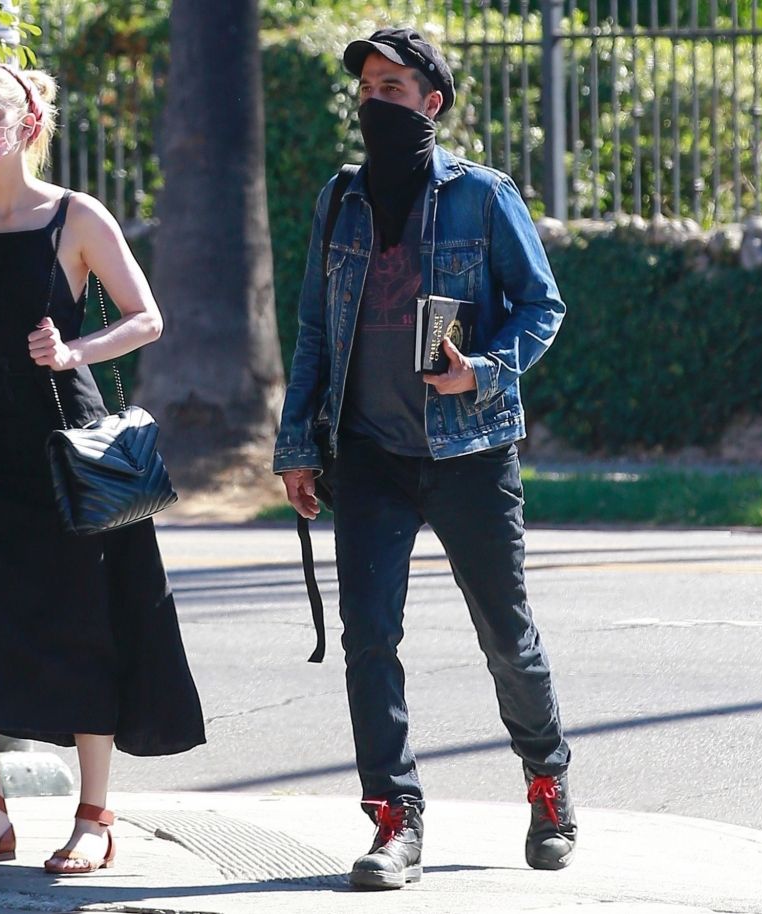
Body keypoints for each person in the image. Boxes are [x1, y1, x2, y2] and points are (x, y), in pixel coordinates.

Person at [0, 58, 205, 875]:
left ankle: (94, 816)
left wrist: (74, 350)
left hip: (69, 442)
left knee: (84, 620)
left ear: (28, 122)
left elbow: (146, 319)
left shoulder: (75, 216)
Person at [274, 28, 576, 890]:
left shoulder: (482, 197)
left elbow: (540, 305)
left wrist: (480, 371)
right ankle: (393, 819)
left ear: (431, 103)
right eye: (368, 86)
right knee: (369, 638)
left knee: (505, 637)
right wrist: (299, 446)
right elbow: (310, 334)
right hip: (367, 455)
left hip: (472, 453)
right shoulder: (340, 201)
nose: (377, 101)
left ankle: (548, 782)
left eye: (395, 87)